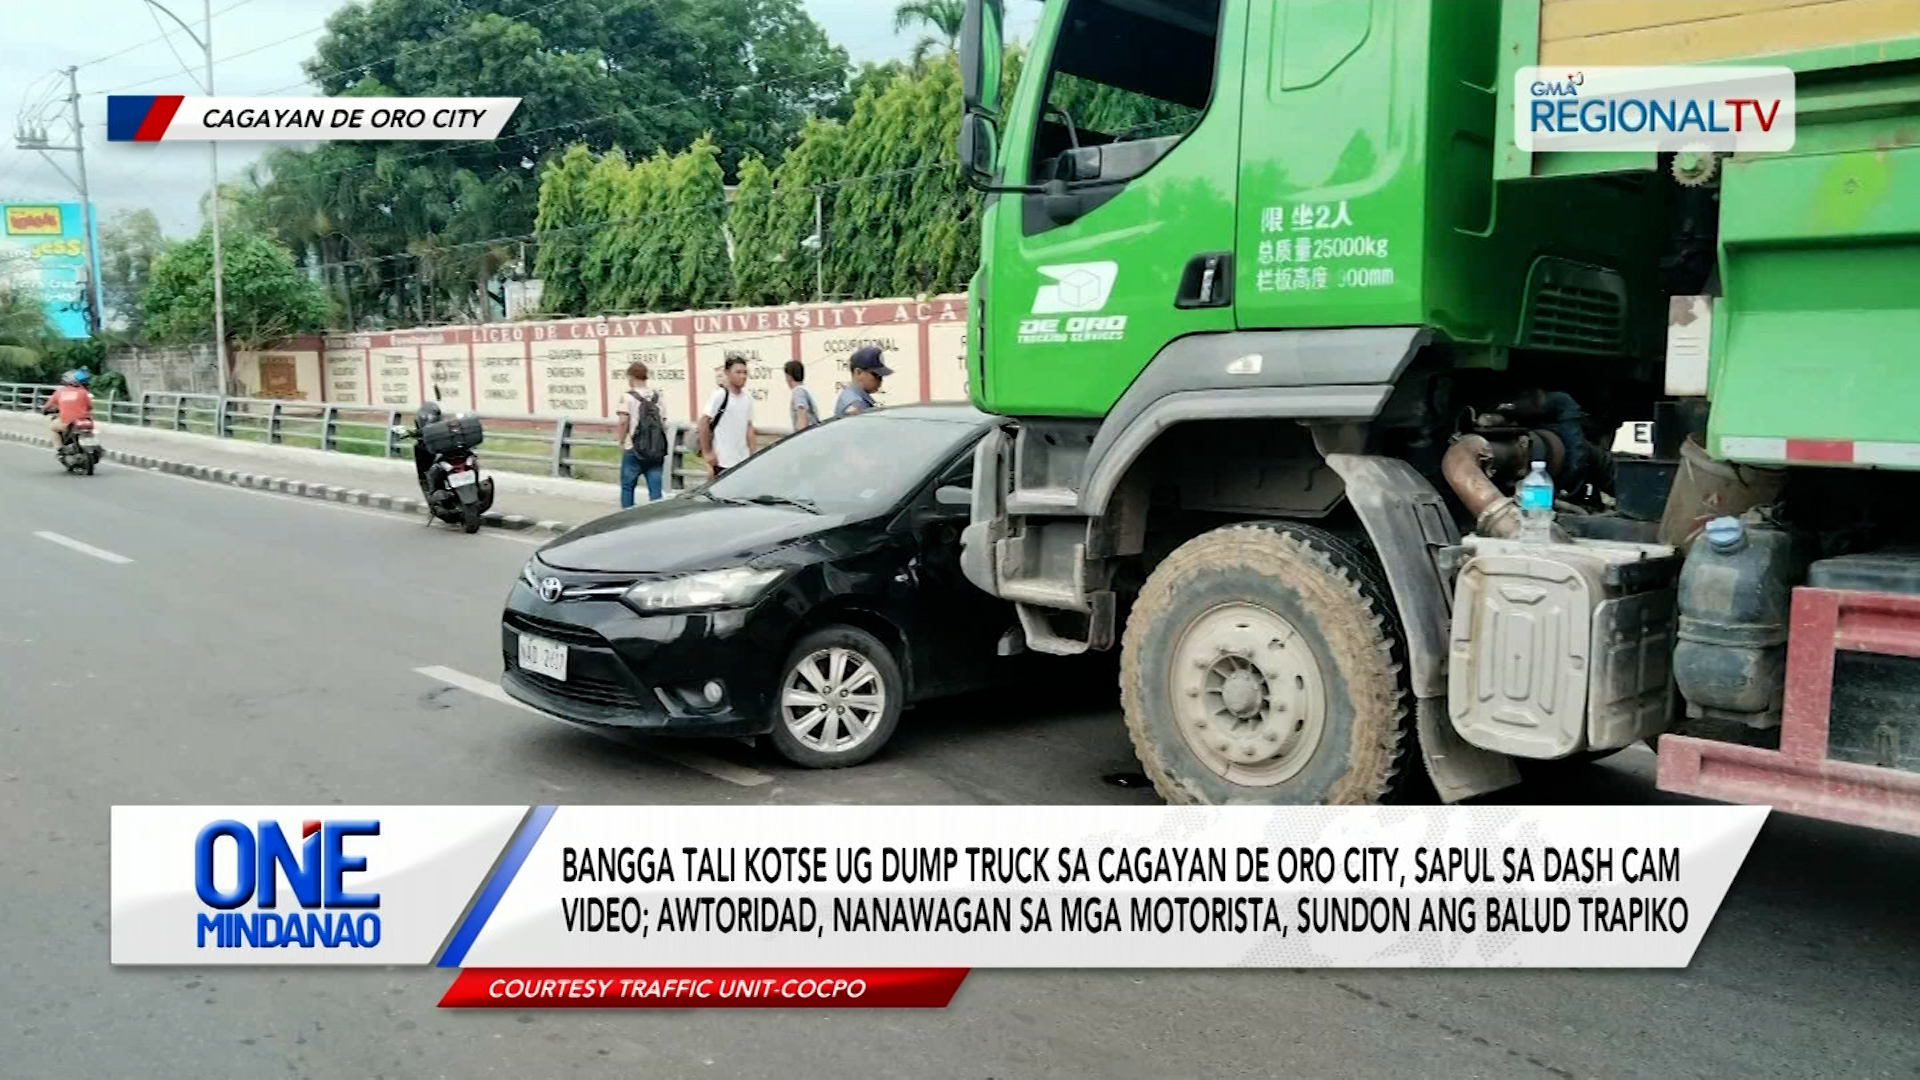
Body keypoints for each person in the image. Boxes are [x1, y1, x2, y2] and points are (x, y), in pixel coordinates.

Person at [615, 361, 668, 507]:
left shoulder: (627, 397)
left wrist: (620, 440)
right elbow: (663, 421)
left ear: (631, 377)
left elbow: (623, 421)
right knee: (655, 488)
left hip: (634, 448)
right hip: (656, 448)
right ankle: (656, 518)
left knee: (628, 486)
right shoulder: (657, 396)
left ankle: (627, 518)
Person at [699, 353, 754, 479]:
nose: (743, 376)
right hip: (722, 460)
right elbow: (703, 422)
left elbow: (749, 427)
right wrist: (707, 453)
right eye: (738, 372)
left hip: (742, 460)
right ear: (727, 373)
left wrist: (752, 453)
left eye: (745, 372)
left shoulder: (747, 399)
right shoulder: (720, 395)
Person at [834, 345, 893, 418]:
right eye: (876, 375)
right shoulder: (855, 404)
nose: (880, 380)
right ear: (858, 372)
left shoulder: (855, 396)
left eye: (881, 376)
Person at [43, 369, 93, 445]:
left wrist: (44, 410)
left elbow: (47, 406)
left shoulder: (59, 392)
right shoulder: (83, 392)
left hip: (67, 422)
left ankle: (59, 449)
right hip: (85, 422)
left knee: (53, 427)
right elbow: (90, 406)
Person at [786, 360, 820, 433]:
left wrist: (800, 434)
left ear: (789, 377)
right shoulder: (804, 389)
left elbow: (802, 412)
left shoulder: (798, 392)